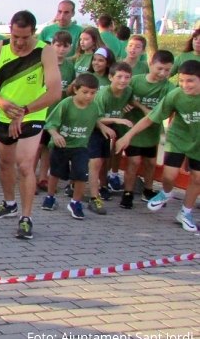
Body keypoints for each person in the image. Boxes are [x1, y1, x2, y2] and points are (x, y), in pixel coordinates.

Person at [0, 10, 61, 240]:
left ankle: (26, 218)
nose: (20, 42)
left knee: (24, 165)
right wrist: (0, 102)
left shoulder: (45, 51)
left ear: (33, 33)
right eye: (16, 36)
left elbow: (55, 92)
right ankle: (9, 203)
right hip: (4, 113)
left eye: (25, 37)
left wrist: (24, 112)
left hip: (32, 114)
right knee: (5, 163)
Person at [116, 59, 200, 232]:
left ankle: (185, 212)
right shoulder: (175, 95)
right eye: (182, 80)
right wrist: (128, 135)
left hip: (198, 142)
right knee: (169, 176)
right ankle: (166, 193)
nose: (185, 85)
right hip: (178, 138)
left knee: (197, 178)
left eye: (190, 80)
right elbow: (149, 118)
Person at [42, 73, 131, 218]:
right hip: (62, 145)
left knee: (82, 175)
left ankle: (75, 202)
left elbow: (97, 118)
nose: (89, 96)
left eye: (93, 93)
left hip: (81, 147)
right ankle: (50, 197)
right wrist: (56, 134)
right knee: (55, 173)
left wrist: (105, 126)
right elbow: (50, 124)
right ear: (76, 90)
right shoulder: (66, 104)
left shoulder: (94, 106)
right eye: (85, 92)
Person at [119, 50, 176, 207]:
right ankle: (128, 192)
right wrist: (133, 106)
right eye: (160, 68)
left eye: (167, 70)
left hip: (152, 132)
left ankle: (148, 190)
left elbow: (168, 108)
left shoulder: (169, 87)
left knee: (150, 163)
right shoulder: (135, 81)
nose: (163, 73)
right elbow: (124, 96)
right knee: (133, 161)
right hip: (132, 129)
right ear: (151, 64)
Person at [85, 62, 133, 209]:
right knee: (95, 162)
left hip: (108, 129)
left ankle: (103, 186)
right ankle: (93, 196)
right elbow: (95, 117)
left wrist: (135, 107)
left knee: (105, 161)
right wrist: (117, 119)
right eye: (119, 77)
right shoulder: (104, 94)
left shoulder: (128, 91)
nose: (123, 80)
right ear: (111, 77)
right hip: (93, 128)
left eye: (127, 77)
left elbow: (131, 101)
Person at [36, 32, 76, 192]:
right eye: (58, 45)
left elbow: (70, 91)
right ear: (52, 45)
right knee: (37, 147)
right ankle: (29, 177)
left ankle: (43, 177)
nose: (61, 49)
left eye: (65, 46)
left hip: (58, 113)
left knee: (47, 148)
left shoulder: (69, 67)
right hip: (41, 112)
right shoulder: (42, 64)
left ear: (70, 48)